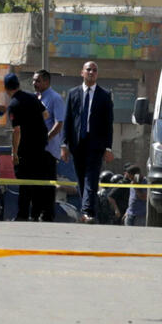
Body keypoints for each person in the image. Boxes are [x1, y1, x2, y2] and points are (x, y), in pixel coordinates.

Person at [61, 61, 114, 223]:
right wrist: (64, 144)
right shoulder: (73, 93)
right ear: (82, 73)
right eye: (88, 69)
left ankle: (87, 212)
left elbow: (108, 123)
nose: (91, 72)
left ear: (97, 74)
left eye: (94, 70)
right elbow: (68, 120)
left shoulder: (104, 95)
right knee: (81, 179)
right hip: (77, 144)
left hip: (96, 144)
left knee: (91, 177)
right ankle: (89, 211)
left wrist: (108, 147)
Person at [5, 74, 50, 221]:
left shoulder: (13, 105)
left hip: (26, 148)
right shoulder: (32, 97)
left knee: (24, 181)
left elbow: (17, 131)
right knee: (37, 180)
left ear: (6, 89)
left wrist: (14, 153)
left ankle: (22, 214)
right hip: (40, 145)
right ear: (18, 85)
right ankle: (35, 214)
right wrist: (34, 122)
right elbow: (46, 114)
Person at [33, 69, 65, 222]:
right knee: (35, 183)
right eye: (34, 80)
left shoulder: (55, 98)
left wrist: (46, 138)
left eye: (38, 81)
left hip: (48, 150)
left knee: (47, 184)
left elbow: (59, 123)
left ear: (46, 82)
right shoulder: (36, 97)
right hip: (35, 149)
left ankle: (47, 215)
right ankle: (35, 213)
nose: (35, 83)